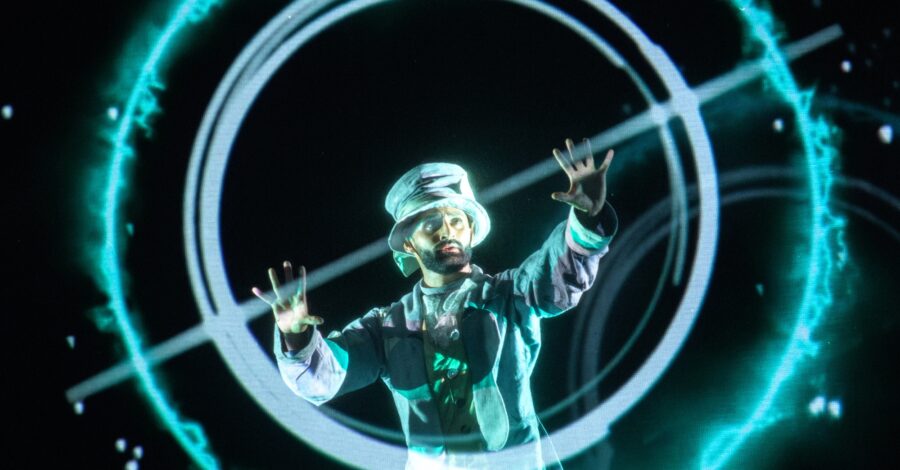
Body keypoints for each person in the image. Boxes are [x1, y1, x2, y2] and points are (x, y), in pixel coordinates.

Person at [253, 139, 618, 469]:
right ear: (408, 243)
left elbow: (560, 277)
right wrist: (295, 335)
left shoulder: (510, 295)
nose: (447, 231)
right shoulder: (387, 327)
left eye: (456, 221)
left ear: (470, 232)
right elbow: (321, 379)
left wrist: (587, 218)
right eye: (430, 224)